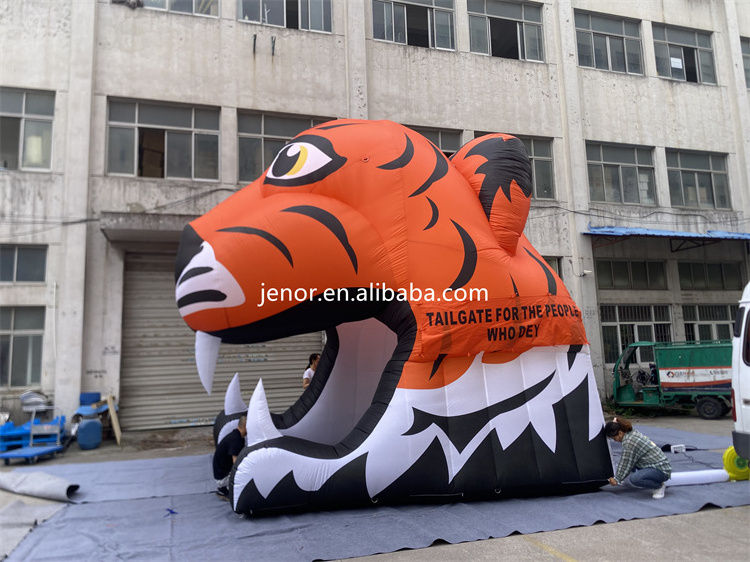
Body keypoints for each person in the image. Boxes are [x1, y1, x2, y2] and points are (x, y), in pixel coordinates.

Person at [605, 416, 672, 499]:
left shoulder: (630, 442)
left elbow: (626, 462)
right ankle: (630, 479)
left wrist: (616, 479)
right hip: (653, 465)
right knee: (629, 461)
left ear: (620, 433)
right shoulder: (631, 433)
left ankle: (658, 486)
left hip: (661, 470)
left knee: (636, 479)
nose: (615, 441)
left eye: (614, 438)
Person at [213, 415, 247, 500]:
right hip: (223, 478)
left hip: (220, 473)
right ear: (244, 426)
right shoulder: (236, 440)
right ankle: (225, 490)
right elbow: (236, 463)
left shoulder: (237, 435)